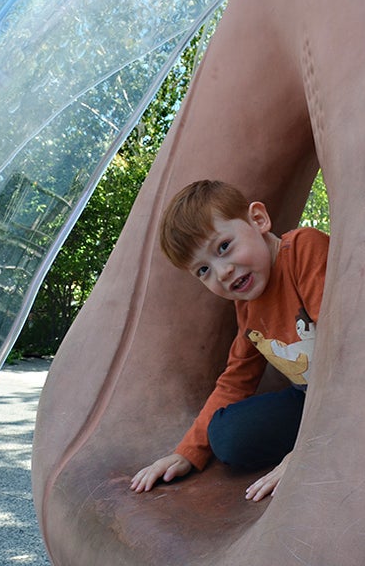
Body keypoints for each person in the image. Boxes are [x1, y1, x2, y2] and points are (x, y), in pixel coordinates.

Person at [129, 180, 328, 501]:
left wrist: (308, 449)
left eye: (223, 247)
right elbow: (235, 381)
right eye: (203, 270)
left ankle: (331, 437)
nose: (221, 272)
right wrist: (186, 453)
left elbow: (347, 351)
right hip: (309, 396)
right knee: (227, 435)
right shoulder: (247, 306)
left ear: (258, 220)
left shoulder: (304, 250)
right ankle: (319, 433)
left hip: (354, 385)